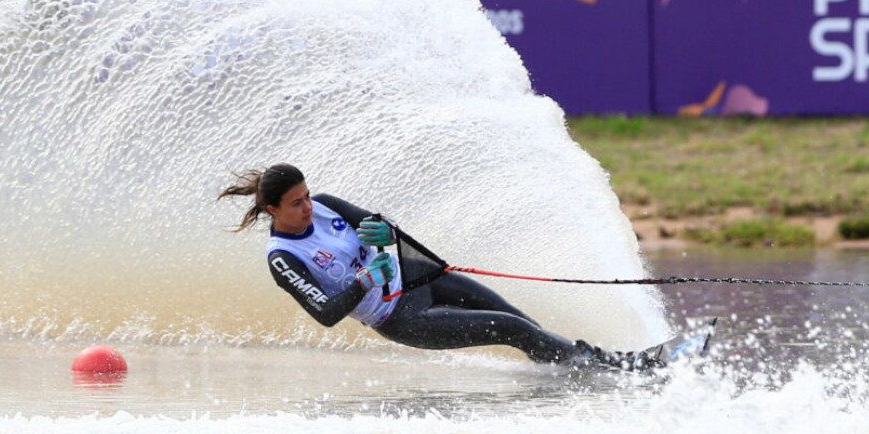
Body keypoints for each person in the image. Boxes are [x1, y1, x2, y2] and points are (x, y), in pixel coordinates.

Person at [218, 163, 657, 370]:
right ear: (274, 210)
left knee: (523, 323)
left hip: (420, 279)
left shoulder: (328, 206)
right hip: (402, 317)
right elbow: (326, 313)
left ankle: (585, 369)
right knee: (509, 327)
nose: (308, 207)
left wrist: (377, 229)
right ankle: (611, 368)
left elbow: (381, 225)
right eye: (296, 204)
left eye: (308, 196)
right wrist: (364, 280)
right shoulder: (283, 258)